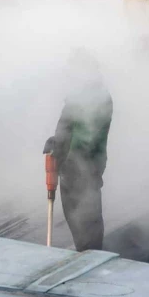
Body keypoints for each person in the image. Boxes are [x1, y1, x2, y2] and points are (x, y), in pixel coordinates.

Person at [43, 52, 113, 251]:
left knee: (86, 222)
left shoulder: (94, 98)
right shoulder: (83, 96)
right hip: (74, 168)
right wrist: (57, 142)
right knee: (78, 220)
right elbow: (70, 129)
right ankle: (87, 253)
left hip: (82, 170)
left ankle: (91, 260)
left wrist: (61, 146)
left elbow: (86, 135)